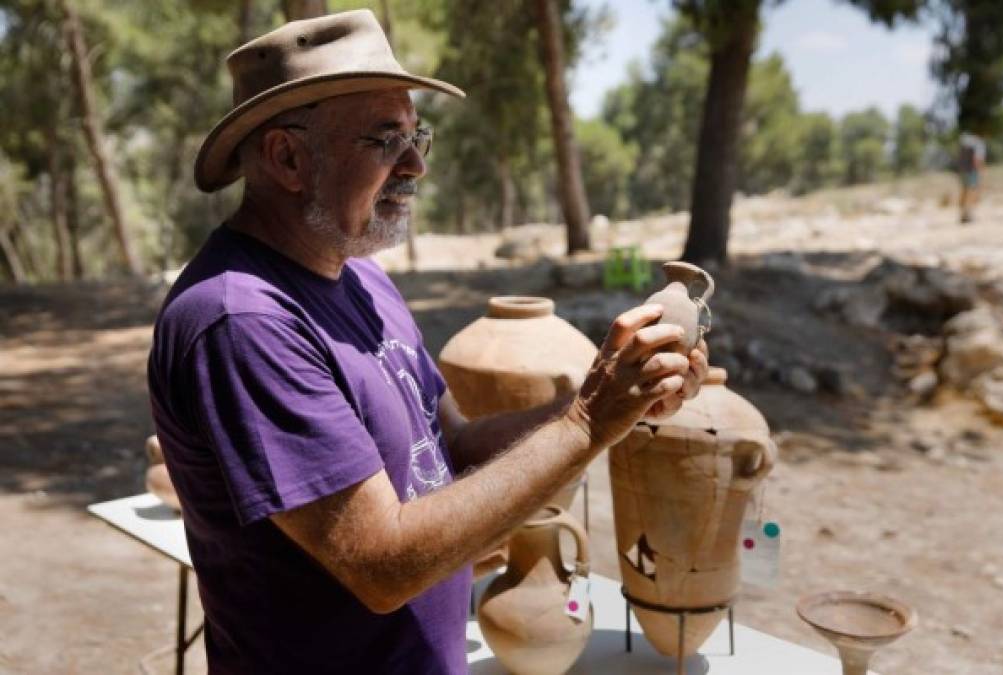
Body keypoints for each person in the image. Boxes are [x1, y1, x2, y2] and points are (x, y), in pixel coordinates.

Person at [148, 10, 709, 674]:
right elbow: (380, 565)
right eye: (387, 139)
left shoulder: (359, 277)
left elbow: (447, 452)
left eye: (418, 135)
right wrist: (588, 418)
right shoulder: (242, 320)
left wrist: (616, 403)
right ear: (287, 156)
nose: (416, 163)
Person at [957, 131, 986, 223]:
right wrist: (980, 171)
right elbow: (977, 159)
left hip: (962, 170)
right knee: (972, 191)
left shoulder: (966, 141)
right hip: (972, 171)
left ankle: (963, 214)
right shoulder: (979, 143)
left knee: (964, 191)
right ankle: (968, 214)